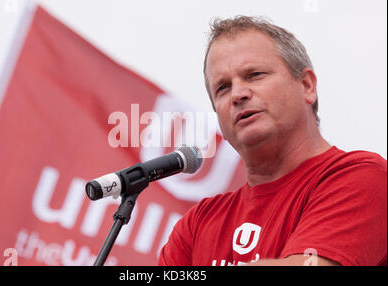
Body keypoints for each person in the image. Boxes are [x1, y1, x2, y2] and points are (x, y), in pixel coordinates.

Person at [157, 16, 387, 266]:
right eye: (222, 88)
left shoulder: (362, 176)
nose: (238, 94)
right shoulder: (196, 225)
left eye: (254, 75)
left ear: (307, 85)